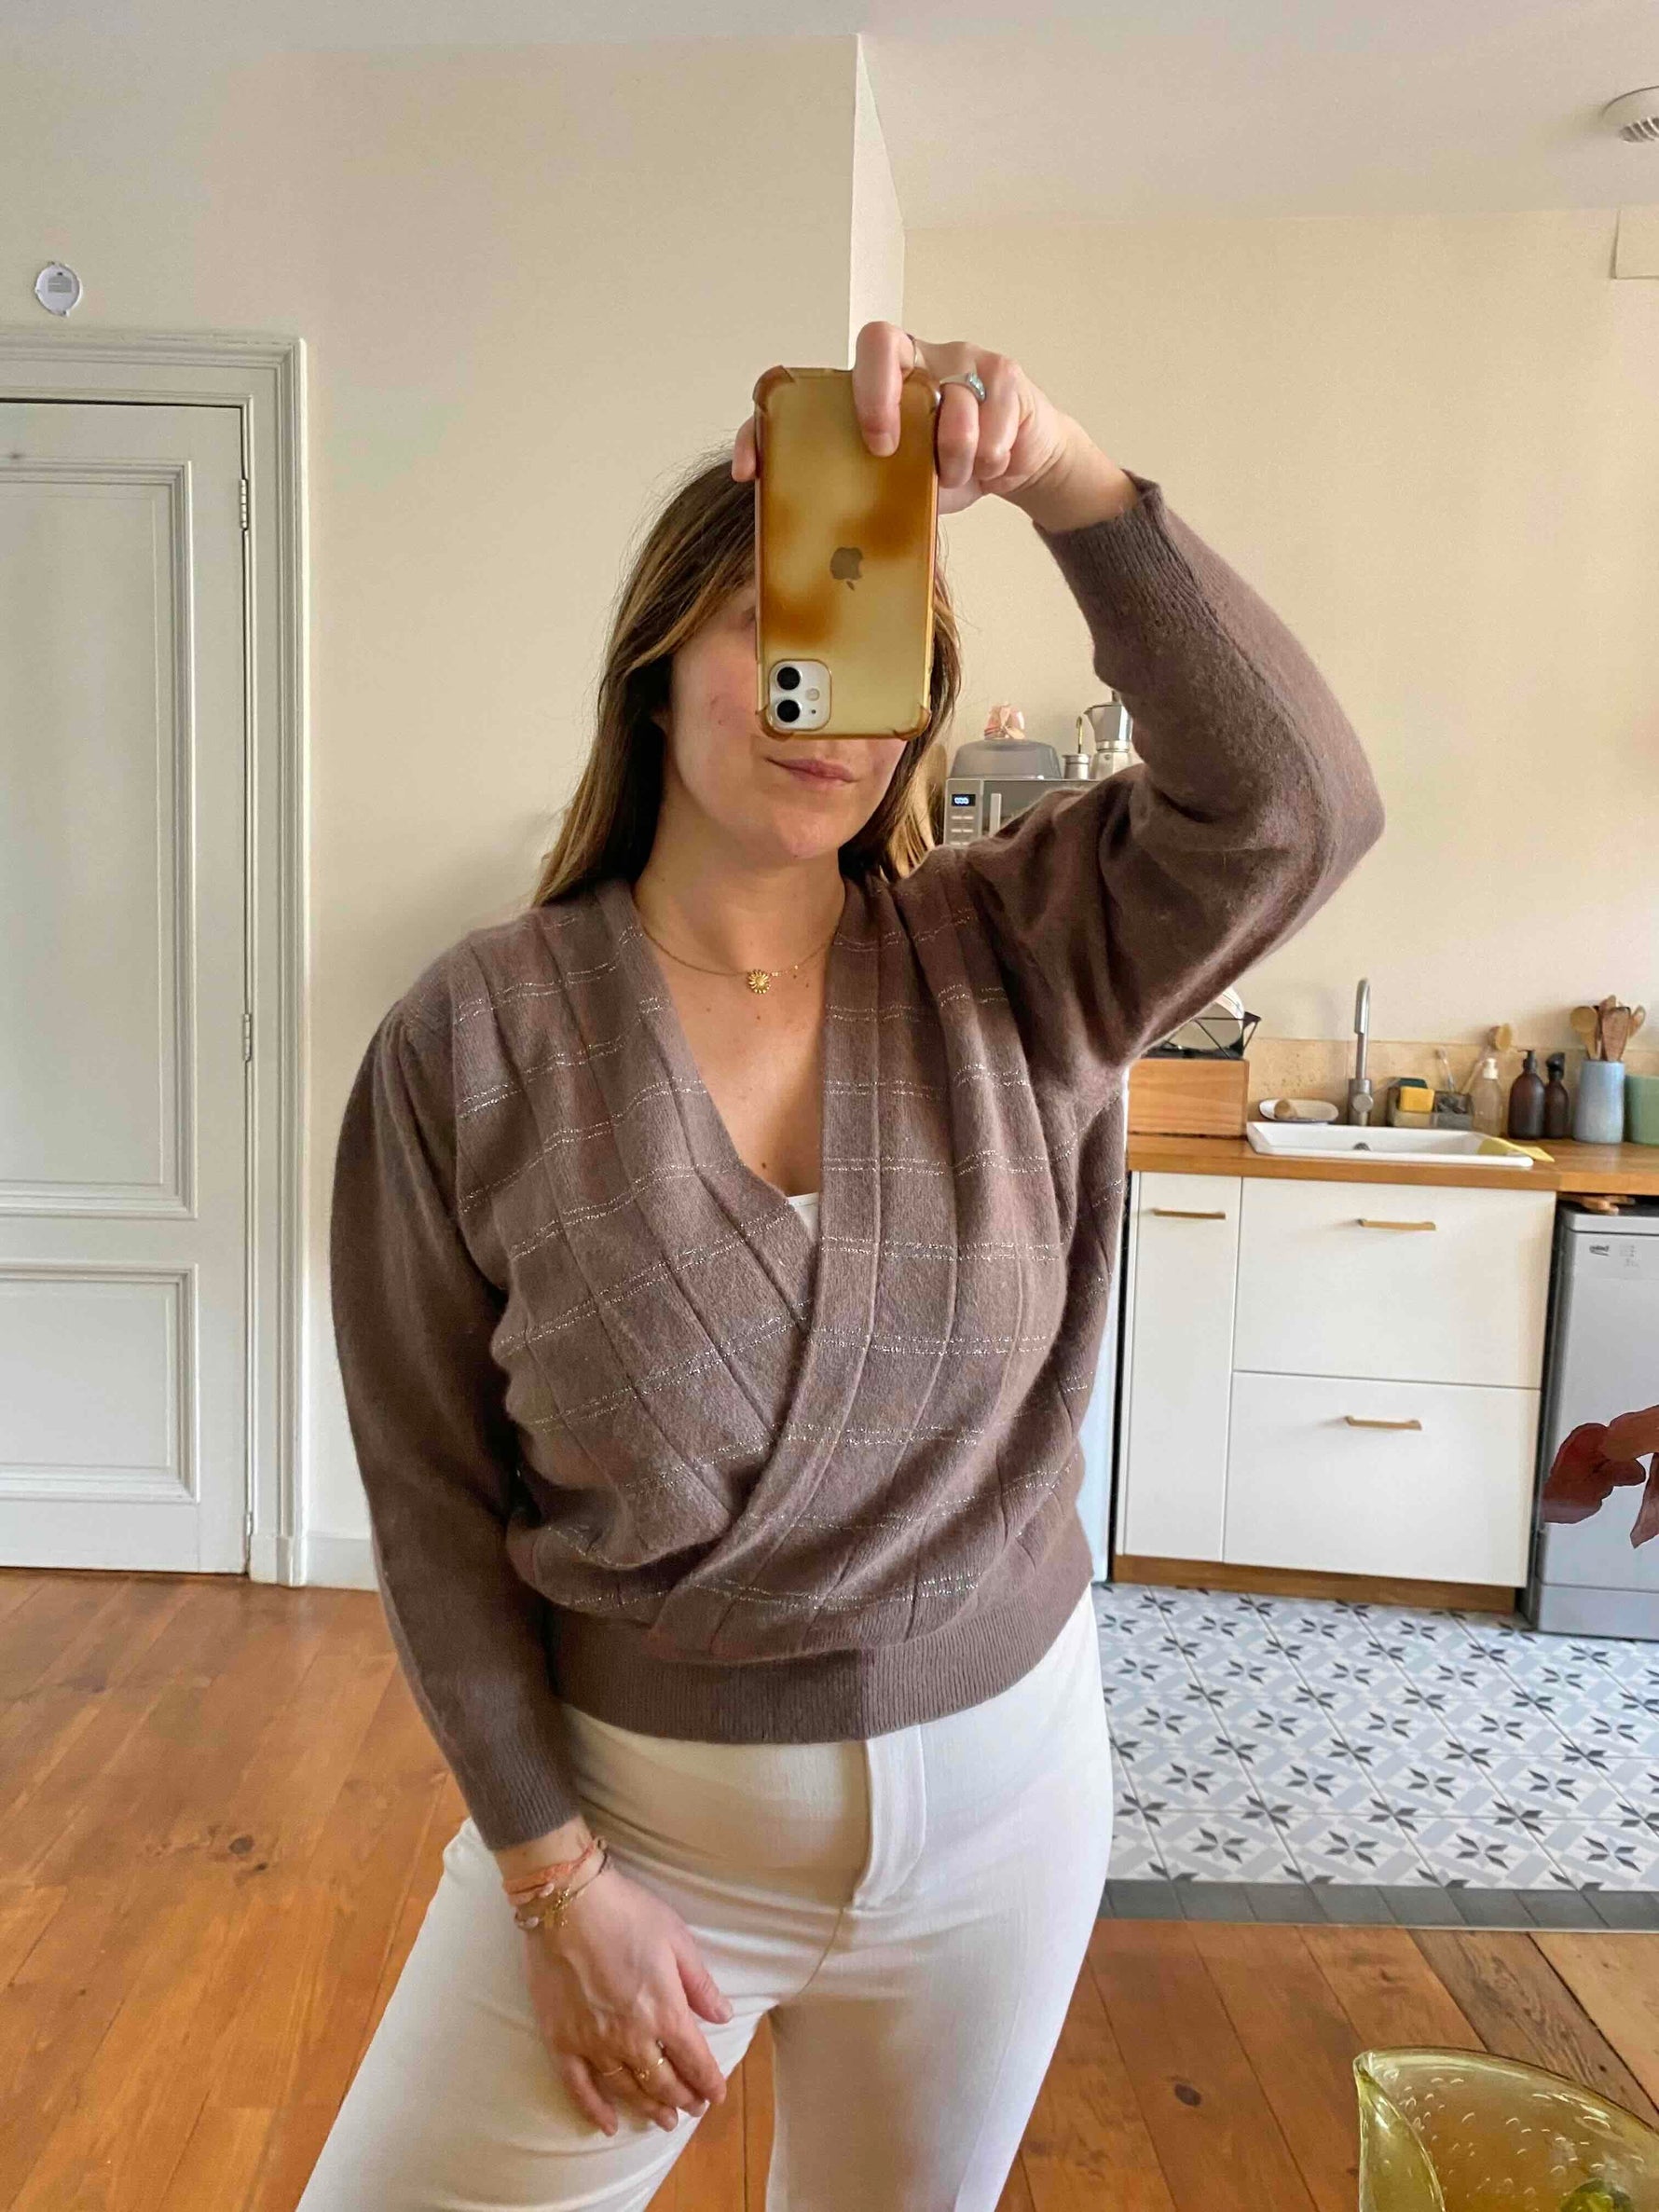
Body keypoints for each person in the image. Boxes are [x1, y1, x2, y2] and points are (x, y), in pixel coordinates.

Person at [308, 319, 1383, 2212]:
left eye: (874, 641)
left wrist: (1060, 474)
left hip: (1007, 1821)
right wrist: (551, 1879)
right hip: (636, 1837)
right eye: (768, 624)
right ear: (654, 668)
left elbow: (1297, 806)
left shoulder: (1021, 956)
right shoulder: (472, 1039)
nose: (825, 701)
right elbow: (428, 1500)